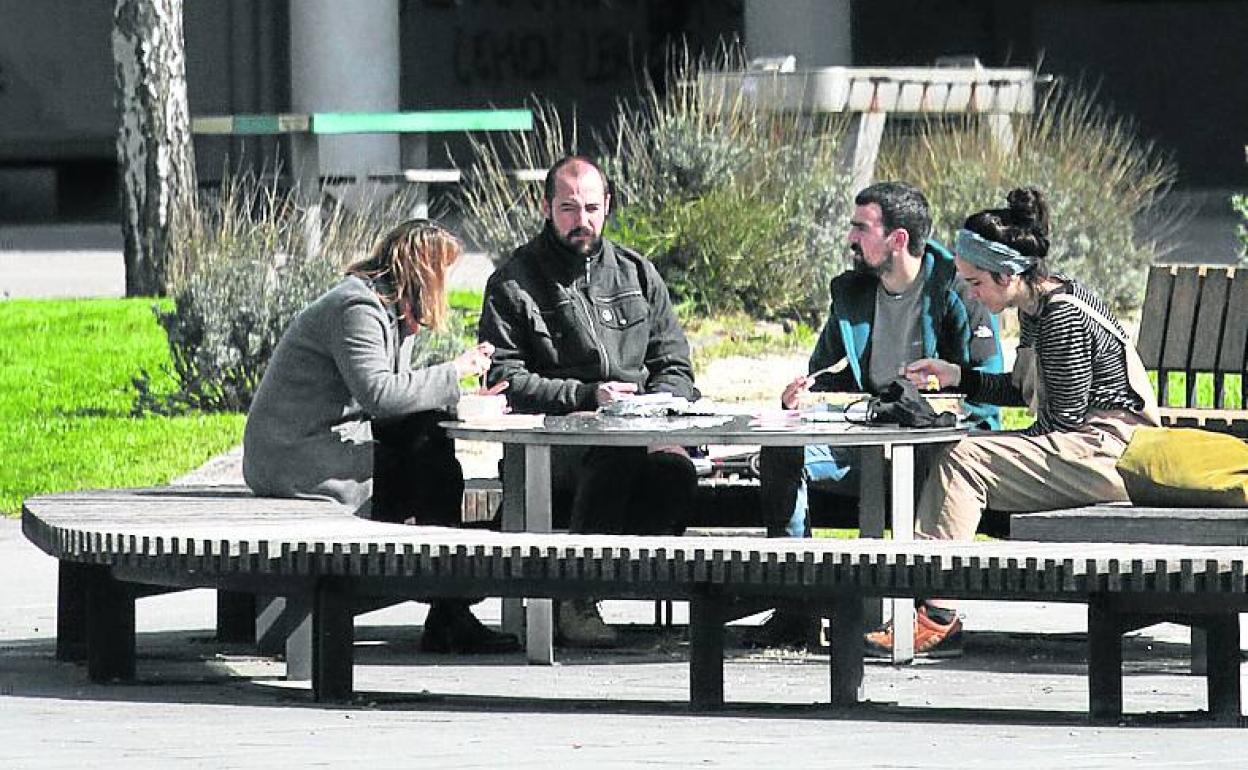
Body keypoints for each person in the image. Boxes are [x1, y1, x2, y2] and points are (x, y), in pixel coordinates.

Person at [870, 187, 1160, 657]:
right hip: (1080, 445)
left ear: (1008, 275)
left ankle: (936, 616)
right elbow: (1022, 391)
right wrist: (958, 377)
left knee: (962, 458)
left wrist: (993, 448)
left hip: (1107, 452)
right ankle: (922, 607)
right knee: (955, 451)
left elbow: (1060, 424)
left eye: (976, 282)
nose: (970, 293)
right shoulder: (1036, 305)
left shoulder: (1061, 314)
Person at [243, 218, 520, 655]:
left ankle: (448, 594)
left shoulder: (391, 311)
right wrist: (455, 371)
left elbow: (396, 393)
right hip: (296, 457)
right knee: (428, 456)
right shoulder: (358, 308)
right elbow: (380, 395)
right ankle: (448, 595)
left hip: (322, 446)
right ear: (423, 271)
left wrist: (463, 398)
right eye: (443, 272)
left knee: (427, 443)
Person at [750, 181, 1004, 649]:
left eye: (861, 228)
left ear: (898, 238)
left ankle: (933, 614)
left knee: (942, 461)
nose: (851, 239)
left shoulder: (957, 290)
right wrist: (809, 392)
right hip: (864, 440)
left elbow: (987, 395)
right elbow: (827, 369)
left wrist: (941, 413)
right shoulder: (851, 294)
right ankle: (797, 603)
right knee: (782, 453)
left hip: (932, 451)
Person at [477, 155, 700, 647]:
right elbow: (504, 377)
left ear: (608, 206)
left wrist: (660, 404)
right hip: (552, 443)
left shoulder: (638, 274)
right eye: (569, 209)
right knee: (612, 455)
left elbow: (677, 366)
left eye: (592, 208)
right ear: (546, 208)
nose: (582, 221)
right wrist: (584, 396)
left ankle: (591, 588)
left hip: (638, 430)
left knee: (675, 475)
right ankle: (575, 598)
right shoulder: (514, 283)